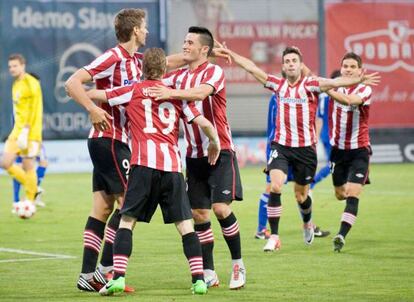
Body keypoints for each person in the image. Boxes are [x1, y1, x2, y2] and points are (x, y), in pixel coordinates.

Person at [217, 45, 379, 252]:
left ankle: (307, 223)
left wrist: (358, 80)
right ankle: (274, 236)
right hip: (281, 146)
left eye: (294, 61)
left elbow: (336, 82)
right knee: (275, 185)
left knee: (301, 196)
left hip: (305, 151)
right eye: (287, 61)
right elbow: (251, 68)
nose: (291, 64)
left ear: (301, 65)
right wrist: (231, 54)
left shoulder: (312, 84)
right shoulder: (276, 84)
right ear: (283, 67)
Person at [86, 47, 220, 295]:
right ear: (164, 69)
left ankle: (118, 277)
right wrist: (214, 141)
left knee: (126, 222)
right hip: (171, 168)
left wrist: (88, 97)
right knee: (185, 225)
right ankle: (199, 280)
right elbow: (203, 122)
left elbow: (100, 95)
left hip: (142, 166)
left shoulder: (132, 90)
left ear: (143, 69)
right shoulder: (176, 95)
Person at [148, 26, 245, 290]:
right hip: (194, 155)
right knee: (198, 214)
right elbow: (153, 77)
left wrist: (171, 94)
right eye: (184, 40)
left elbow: (201, 93)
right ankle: (209, 270)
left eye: (190, 42)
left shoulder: (214, 71)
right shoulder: (178, 77)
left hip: (220, 150)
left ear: (204, 49)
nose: (185, 45)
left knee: (221, 208)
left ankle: (238, 264)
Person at [65, 8, 149, 292]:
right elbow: (72, 82)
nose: (147, 31)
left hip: (112, 141)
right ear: (136, 30)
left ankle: (87, 275)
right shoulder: (112, 57)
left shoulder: (136, 61)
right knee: (130, 204)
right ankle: (107, 270)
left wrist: (194, 57)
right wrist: (91, 109)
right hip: (109, 139)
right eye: (144, 27)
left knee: (102, 209)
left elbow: (167, 62)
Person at [255, 93, 330, 240]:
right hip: (279, 147)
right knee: (272, 187)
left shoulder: (294, 93)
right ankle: (261, 229)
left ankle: (308, 224)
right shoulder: (279, 96)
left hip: (297, 149)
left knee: (302, 191)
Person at [325, 53, 376, 252]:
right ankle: (349, 206)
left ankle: (341, 235)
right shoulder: (334, 84)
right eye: (345, 65)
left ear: (360, 71)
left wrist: (327, 88)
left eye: (352, 66)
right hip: (338, 151)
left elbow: (348, 100)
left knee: (354, 194)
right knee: (340, 195)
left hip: (359, 150)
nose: (348, 69)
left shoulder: (365, 89)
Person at [1, 54, 43, 209]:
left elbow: (34, 108)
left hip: (30, 133)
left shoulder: (31, 83)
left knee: (28, 165)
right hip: (16, 131)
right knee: (5, 163)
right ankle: (33, 188)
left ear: (23, 65)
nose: (12, 69)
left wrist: (26, 130)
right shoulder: (16, 84)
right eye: (10, 66)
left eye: (15, 66)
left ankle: (30, 202)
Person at [309, 70, 341, 192]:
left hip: (328, 135)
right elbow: (320, 119)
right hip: (331, 135)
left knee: (336, 163)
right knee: (332, 164)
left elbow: (318, 117)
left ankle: (344, 186)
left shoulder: (323, 94)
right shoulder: (335, 95)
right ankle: (312, 182)